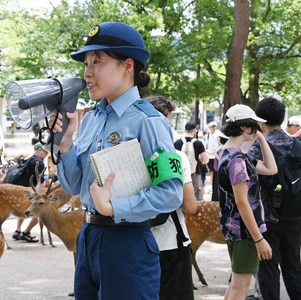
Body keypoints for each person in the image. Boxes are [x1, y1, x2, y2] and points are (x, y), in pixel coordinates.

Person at [53, 22, 183, 299]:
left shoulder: (149, 121)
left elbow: (171, 194)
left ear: (127, 66)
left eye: (97, 62)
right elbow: (75, 186)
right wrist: (65, 148)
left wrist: (114, 208)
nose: (87, 73)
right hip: (89, 235)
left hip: (128, 242)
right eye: (86, 63)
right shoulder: (92, 118)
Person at [218, 104, 276, 300]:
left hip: (233, 227)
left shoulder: (230, 154)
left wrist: (261, 139)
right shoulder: (238, 161)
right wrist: (259, 239)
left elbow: (271, 168)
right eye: (254, 125)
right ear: (244, 127)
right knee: (240, 287)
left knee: (236, 284)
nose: (257, 129)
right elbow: (243, 202)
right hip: (244, 231)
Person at [247, 98, 301, 300]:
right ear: (283, 118)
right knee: (293, 267)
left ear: (260, 121)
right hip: (295, 215)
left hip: (267, 219)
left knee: (268, 269)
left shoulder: (258, 148)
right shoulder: (297, 145)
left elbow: (250, 189)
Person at [146, 95, 197, 299]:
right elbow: (190, 205)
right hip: (171, 244)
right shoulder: (176, 157)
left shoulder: (128, 155)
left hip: (136, 242)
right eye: (169, 118)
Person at [11, 142, 49, 243]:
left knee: (23, 211)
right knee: (40, 211)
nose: (46, 155)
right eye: (45, 152)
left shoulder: (28, 159)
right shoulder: (39, 162)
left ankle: (18, 230)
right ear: (39, 150)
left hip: (22, 191)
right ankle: (26, 233)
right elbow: (41, 183)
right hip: (32, 193)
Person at [174, 121, 209, 200]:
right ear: (194, 130)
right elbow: (206, 160)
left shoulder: (177, 143)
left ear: (185, 130)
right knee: (196, 197)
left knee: (182, 196)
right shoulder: (198, 143)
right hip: (195, 173)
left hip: (180, 173)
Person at [211, 131, 228, 202]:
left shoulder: (223, 148)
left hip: (219, 169)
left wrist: (215, 155)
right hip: (216, 168)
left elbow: (221, 158)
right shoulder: (221, 147)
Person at [205, 121, 219, 192]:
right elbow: (206, 145)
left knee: (216, 172)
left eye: (214, 126)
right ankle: (212, 186)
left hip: (216, 156)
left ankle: (215, 187)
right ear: (209, 127)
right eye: (212, 126)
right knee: (211, 172)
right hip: (210, 155)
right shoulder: (208, 134)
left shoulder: (218, 134)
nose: (214, 128)